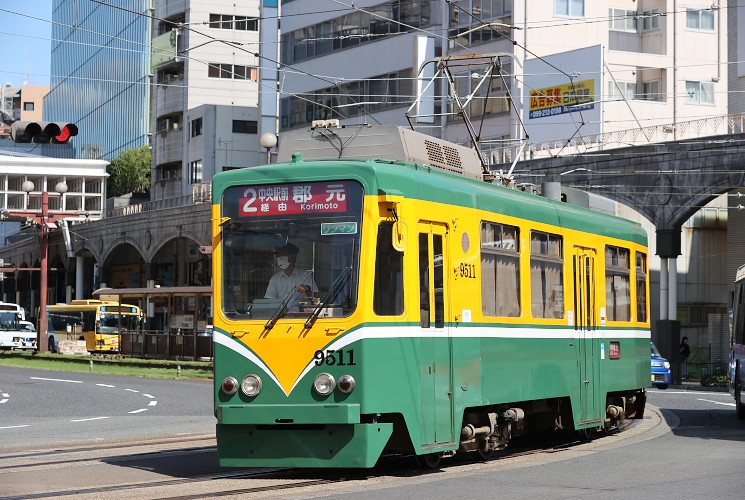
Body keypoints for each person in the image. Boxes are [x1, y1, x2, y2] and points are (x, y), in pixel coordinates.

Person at [265, 242, 318, 312]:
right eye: (278, 255)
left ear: (293, 257)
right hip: (279, 317)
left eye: (283, 254)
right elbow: (270, 300)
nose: (280, 257)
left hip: (301, 316)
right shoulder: (275, 279)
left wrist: (306, 289)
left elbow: (315, 295)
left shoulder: (305, 275)